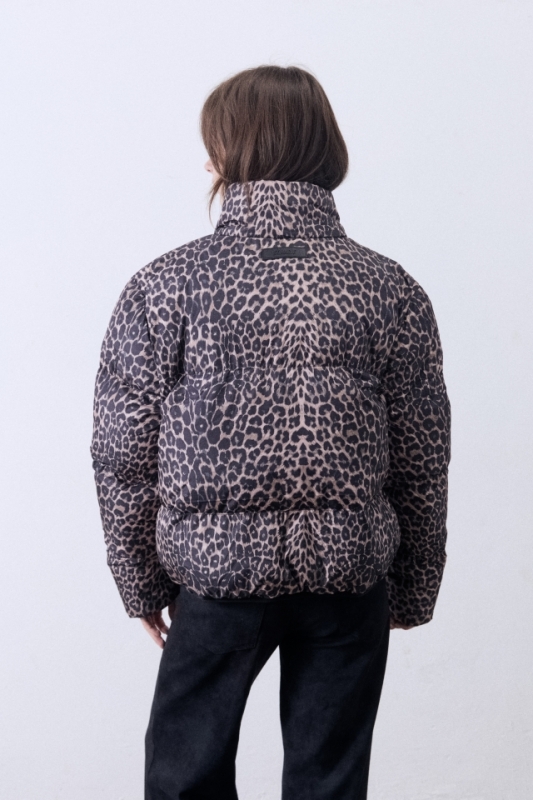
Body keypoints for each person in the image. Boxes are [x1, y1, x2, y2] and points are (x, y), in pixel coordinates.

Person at [91, 65, 451, 800]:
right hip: (348, 582)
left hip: (216, 582)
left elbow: (123, 455)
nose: (205, 160)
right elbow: (423, 457)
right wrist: (412, 588)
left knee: (183, 780)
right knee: (330, 783)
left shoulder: (165, 287)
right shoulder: (390, 289)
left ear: (233, 153)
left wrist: (142, 584)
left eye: (213, 143)